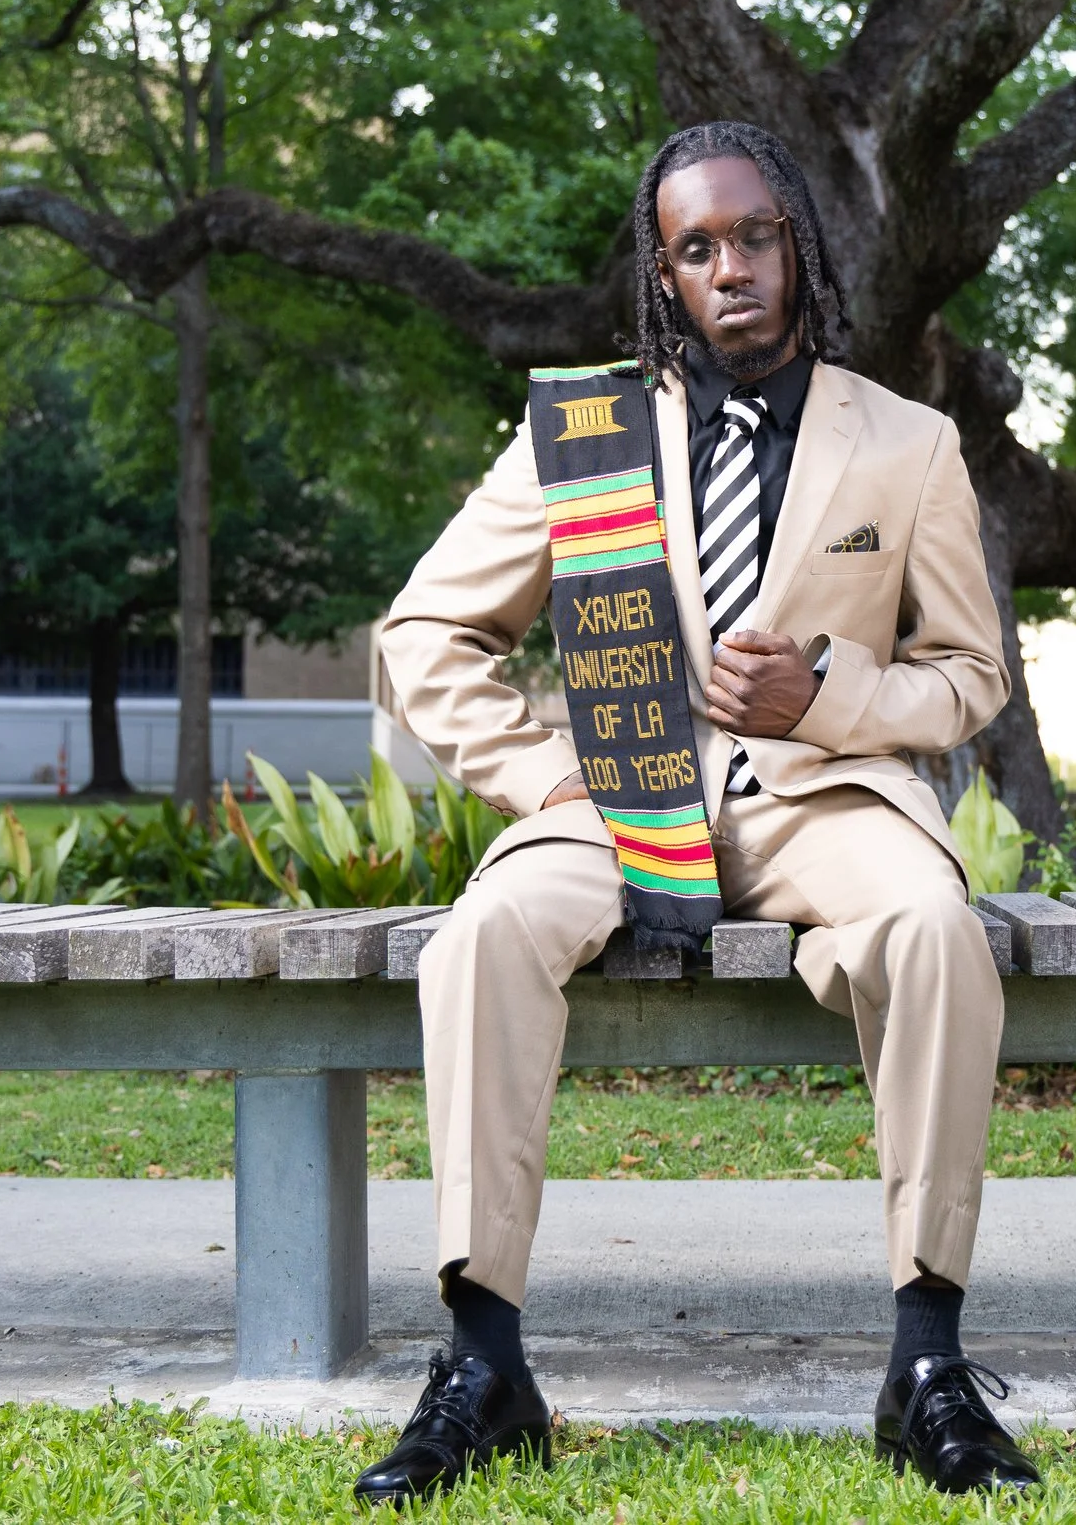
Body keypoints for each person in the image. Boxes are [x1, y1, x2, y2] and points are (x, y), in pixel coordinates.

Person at [360, 121, 1035, 1504]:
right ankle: (485, 1362)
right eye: (697, 248)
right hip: (616, 800)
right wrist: (544, 772)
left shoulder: (906, 444)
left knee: (930, 926)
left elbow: (971, 677)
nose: (732, 268)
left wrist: (829, 690)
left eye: (756, 238)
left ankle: (927, 1362)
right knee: (480, 935)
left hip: (820, 798)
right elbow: (425, 630)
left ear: (802, 245)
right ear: (664, 274)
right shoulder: (587, 433)